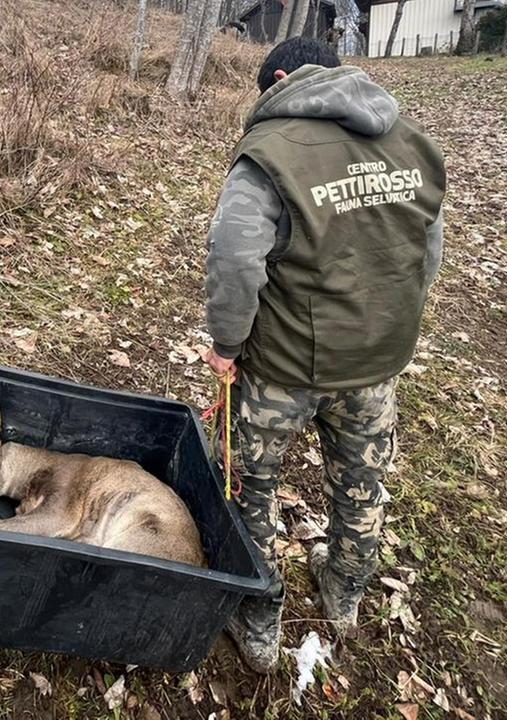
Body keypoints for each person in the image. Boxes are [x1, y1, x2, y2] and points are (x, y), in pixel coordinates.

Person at [203, 37, 445, 673]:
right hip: (375, 366)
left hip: (281, 370)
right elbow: (427, 255)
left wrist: (227, 345)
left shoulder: (268, 155)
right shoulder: (412, 142)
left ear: (283, 77)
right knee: (362, 484)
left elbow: (234, 259)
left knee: (249, 488)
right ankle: (344, 594)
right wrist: (390, 329)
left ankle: (258, 620)